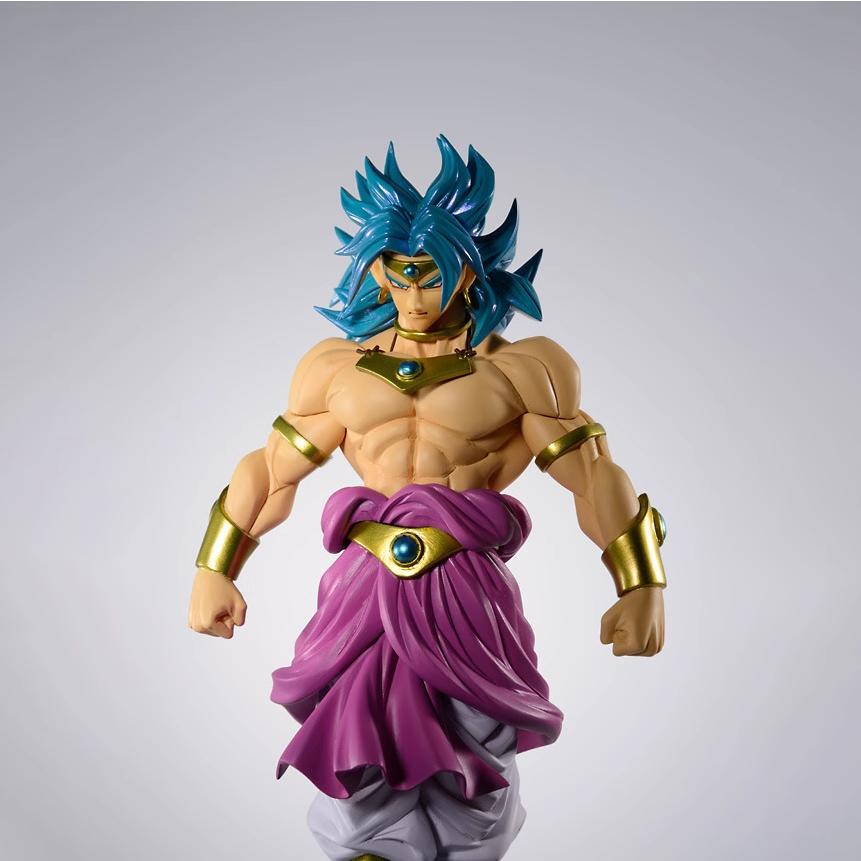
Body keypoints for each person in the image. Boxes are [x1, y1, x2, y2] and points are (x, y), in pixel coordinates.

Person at [187, 136, 667, 861]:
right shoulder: (336, 368)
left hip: (465, 589)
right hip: (362, 588)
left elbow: (593, 475)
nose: (413, 297)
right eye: (399, 273)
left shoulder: (522, 369)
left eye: (431, 276)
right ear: (376, 268)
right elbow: (273, 469)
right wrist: (214, 566)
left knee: (475, 752)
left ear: (469, 269)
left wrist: (641, 583)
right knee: (360, 749)